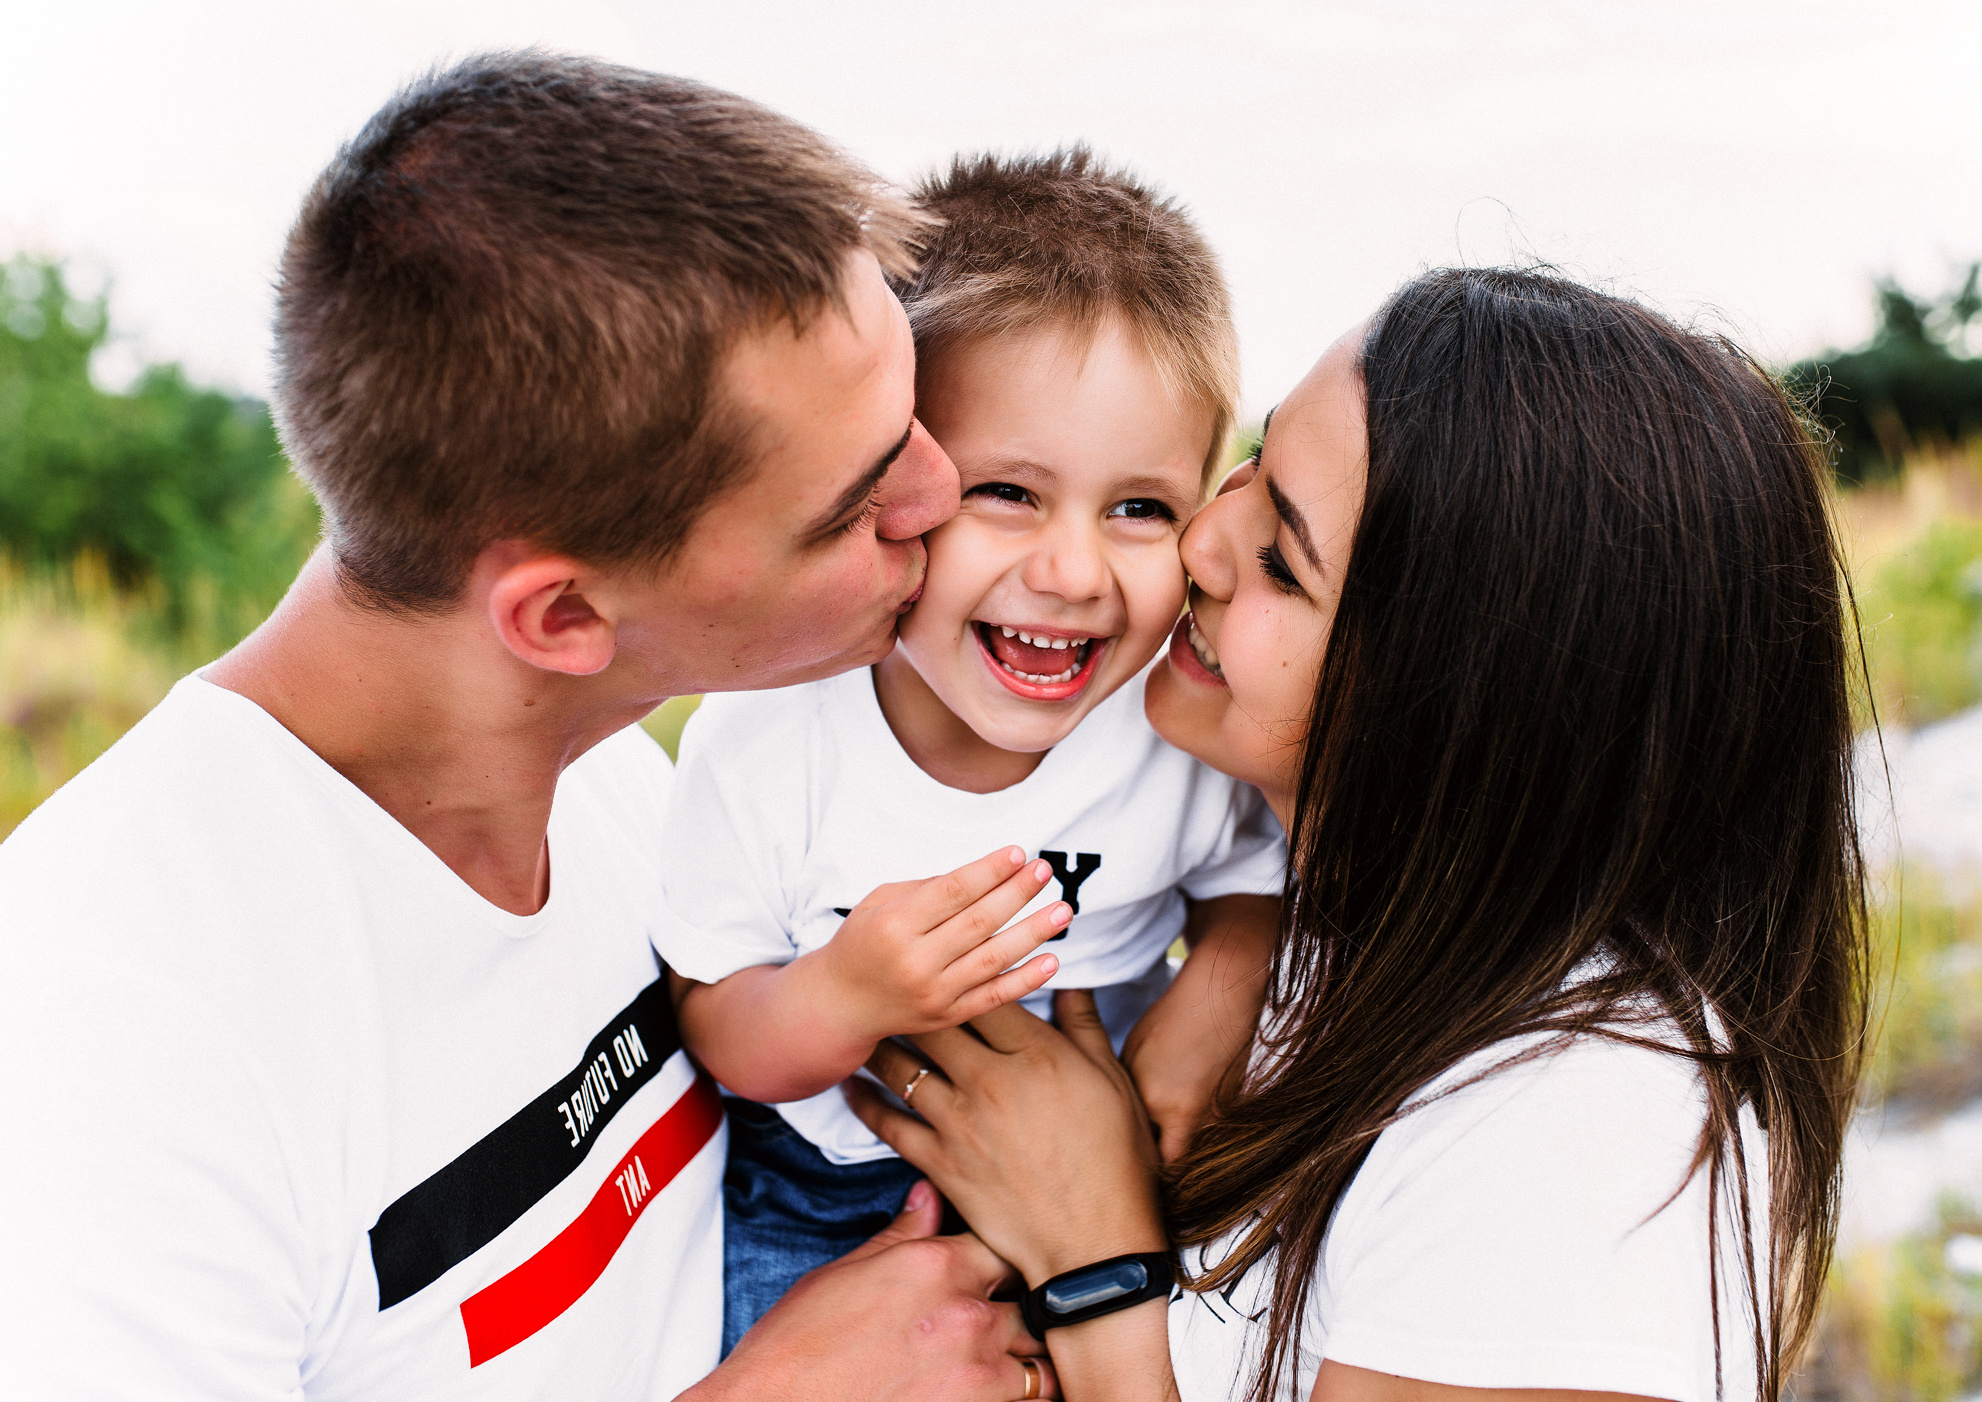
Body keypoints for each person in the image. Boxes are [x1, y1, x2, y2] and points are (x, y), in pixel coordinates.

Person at [0, 53, 1060, 1402]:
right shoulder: (102, 1041)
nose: (941, 492)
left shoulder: (627, 790)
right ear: (561, 615)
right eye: (855, 504)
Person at [849, 268, 1869, 1402]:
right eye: (1252, 463)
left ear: (1466, 703)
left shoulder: (1581, 1136)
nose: (1200, 543)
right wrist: (1235, 960)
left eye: (1282, 562)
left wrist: (1090, 1256)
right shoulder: (1330, 915)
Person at [653, 149, 1285, 1348]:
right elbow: (720, 1024)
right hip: (835, 1193)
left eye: (1140, 508)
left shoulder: (1166, 728)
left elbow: (1250, 883)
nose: (1075, 572)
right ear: (894, 484)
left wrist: (1215, 991)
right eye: (1009, 492)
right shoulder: (771, 734)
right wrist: (846, 993)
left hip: (1108, 1170)